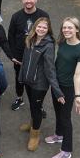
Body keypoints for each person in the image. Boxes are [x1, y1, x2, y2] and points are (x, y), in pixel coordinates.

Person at [45, 17, 80, 158]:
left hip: (68, 89)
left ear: (77, 29)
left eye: (70, 27)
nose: (66, 30)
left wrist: (77, 96)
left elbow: (77, 75)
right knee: (57, 111)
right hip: (56, 85)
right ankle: (59, 134)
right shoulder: (62, 42)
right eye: (64, 27)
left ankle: (66, 150)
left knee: (65, 118)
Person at [18, 17, 64, 151]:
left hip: (39, 84)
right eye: (39, 26)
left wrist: (57, 91)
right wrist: (22, 76)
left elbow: (50, 69)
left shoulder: (49, 45)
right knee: (32, 105)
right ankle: (32, 124)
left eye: (44, 27)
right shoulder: (30, 39)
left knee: (36, 108)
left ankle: (34, 135)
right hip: (28, 80)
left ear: (48, 29)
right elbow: (25, 60)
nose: (41, 29)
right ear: (35, 27)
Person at [8, 0, 49, 111]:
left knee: (37, 80)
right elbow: (10, 36)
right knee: (19, 78)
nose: (29, 1)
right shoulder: (16, 16)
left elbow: (48, 36)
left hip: (37, 55)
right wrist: (13, 55)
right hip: (20, 56)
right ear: (22, 0)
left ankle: (38, 105)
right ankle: (19, 98)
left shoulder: (43, 16)